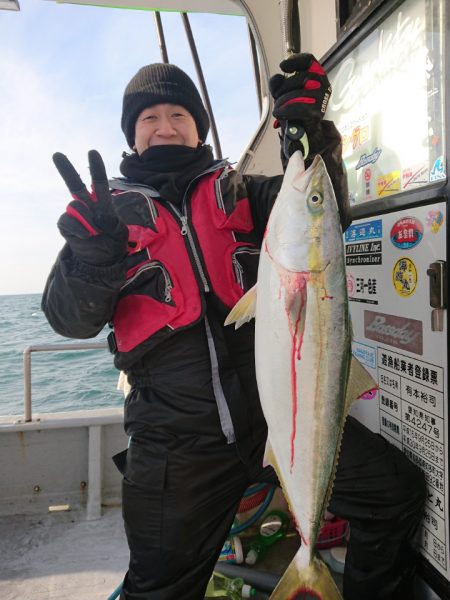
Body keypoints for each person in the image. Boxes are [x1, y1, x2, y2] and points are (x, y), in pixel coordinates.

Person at [42, 57, 426, 600]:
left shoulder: (251, 196)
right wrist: (91, 256)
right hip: (178, 443)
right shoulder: (108, 220)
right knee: (160, 588)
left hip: (276, 417)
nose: (166, 125)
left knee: (396, 493)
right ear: (132, 133)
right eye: (149, 116)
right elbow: (67, 318)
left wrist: (310, 136)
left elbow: (326, 212)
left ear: (201, 126)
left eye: (179, 113)